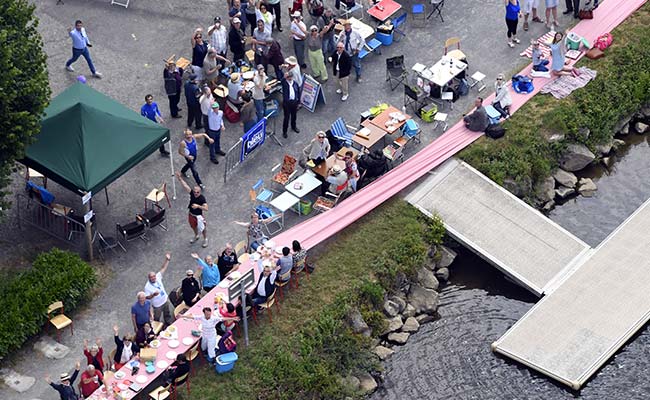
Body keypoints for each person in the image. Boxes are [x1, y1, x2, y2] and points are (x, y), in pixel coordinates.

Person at [177, 172, 210, 246]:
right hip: (191, 214)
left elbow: (206, 208)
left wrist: (198, 206)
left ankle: (205, 239)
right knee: (193, 226)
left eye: (197, 192)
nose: (195, 193)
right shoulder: (192, 193)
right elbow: (186, 186)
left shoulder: (202, 198)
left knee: (203, 228)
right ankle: (196, 236)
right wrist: (180, 178)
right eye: (195, 192)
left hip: (198, 216)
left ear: (200, 192)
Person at [144, 253, 175, 327]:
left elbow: (163, 268)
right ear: (149, 278)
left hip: (165, 299)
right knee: (157, 317)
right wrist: (153, 295)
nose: (154, 278)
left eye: (154, 276)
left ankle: (168, 322)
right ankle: (157, 326)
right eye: (152, 277)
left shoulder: (158, 277)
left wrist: (167, 260)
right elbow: (147, 297)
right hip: (157, 305)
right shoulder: (147, 287)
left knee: (167, 313)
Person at [281, 71, 301, 138]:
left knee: (294, 116)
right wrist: (284, 77)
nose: (289, 78)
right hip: (287, 103)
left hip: (294, 102)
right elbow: (281, 81)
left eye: (290, 77)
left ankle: (293, 127)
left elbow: (298, 92)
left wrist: (298, 102)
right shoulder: (284, 83)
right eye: (288, 77)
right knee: (286, 118)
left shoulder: (295, 83)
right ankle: (284, 131)